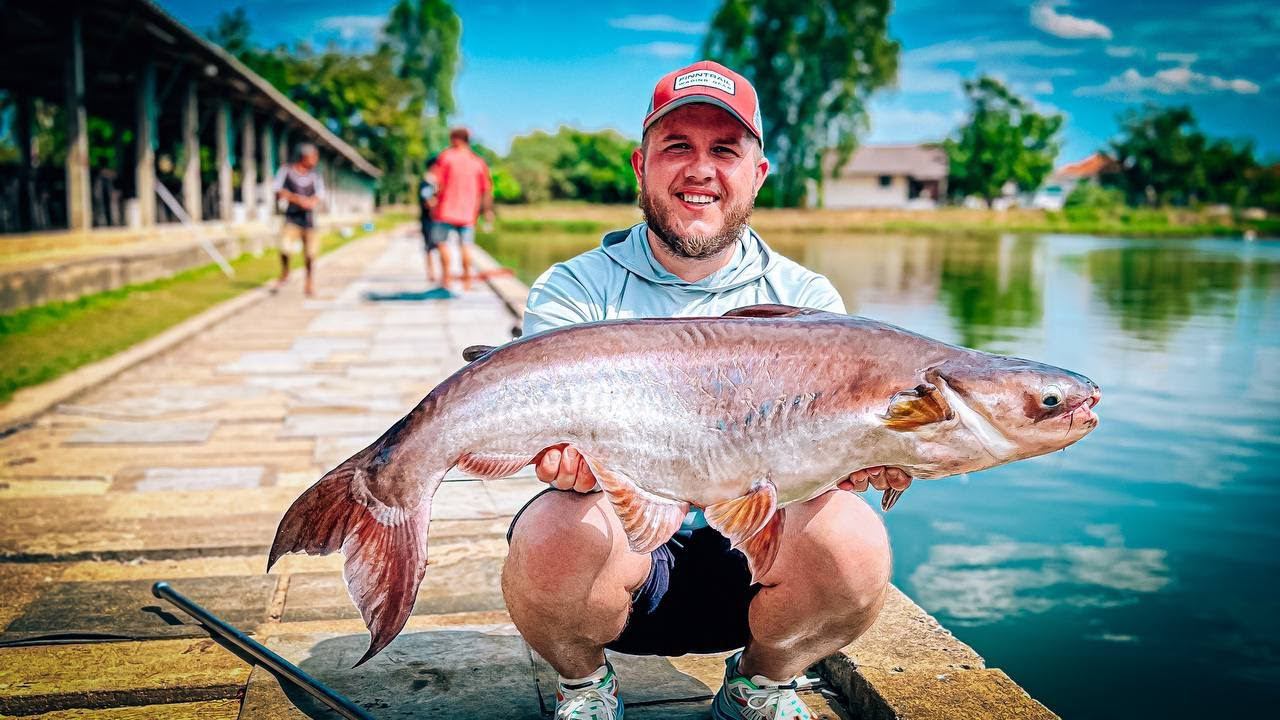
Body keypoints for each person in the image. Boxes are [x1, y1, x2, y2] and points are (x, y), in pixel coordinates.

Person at [503, 60, 911, 720]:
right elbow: (550, 445)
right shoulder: (574, 290)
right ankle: (583, 684)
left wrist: (860, 458)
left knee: (856, 540)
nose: (700, 169)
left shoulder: (807, 300)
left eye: (724, 150)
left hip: (755, 572)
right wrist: (566, 464)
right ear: (641, 166)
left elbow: (833, 458)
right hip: (625, 565)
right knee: (554, 525)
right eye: (677, 147)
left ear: (758, 173)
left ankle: (761, 682)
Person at [430, 127, 494, 291]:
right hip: (468, 213)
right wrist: (487, 211)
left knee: (442, 244)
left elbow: (437, 183)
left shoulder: (446, 157)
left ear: (456, 139)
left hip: (445, 211)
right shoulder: (478, 162)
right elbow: (486, 189)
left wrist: (433, 199)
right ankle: (466, 281)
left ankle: (446, 280)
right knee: (466, 246)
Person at [272, 143, 327, 297]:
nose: (316, 160)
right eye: (314, 156)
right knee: (284, 248)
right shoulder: (286, 171)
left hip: (309, 220)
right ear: (304, 157)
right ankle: (285, 271)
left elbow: (320, 194)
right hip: (291, 218)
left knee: (310, 255)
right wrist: (296, 199)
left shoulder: (315, 175)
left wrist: (311, 202)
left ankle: (309, 282)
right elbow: (277, 190)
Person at [418, 157, 442, 285]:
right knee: (430, 247)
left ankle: (440, 273)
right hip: (428, 220)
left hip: (437, 219)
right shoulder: (427, 183)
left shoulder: (436, 183)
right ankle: (431, 273)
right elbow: (428, 202)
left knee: (439, 246)